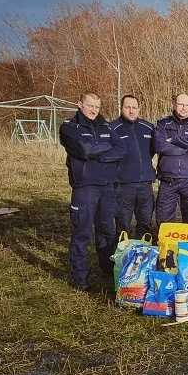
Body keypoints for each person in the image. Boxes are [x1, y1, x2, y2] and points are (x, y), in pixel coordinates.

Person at [59, 92, 126, 291]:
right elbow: (83, 150)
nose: (94, 110)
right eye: (90, 106)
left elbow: (121, 148)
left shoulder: (105, 126)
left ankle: (107, 268)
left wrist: (100, 155)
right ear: (80, 104)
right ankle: (80, 276)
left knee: (106, 229)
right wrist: (104, 149)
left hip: (107, 186)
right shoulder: (69, 127)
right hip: (85, 187)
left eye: (97, 106)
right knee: (83, 232)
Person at [154, 93, 188, 225]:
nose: (184, 108)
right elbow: (160, 145)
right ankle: (166, 244)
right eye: (181, 104)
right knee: (164, 219)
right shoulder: (163, 124)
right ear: (174, 105)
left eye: (187, 105)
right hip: (168, 179)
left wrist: (174, 139)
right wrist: (184, 148)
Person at [110, 95, 156, 239]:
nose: (131, 111)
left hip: (145, 184)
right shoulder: (112, 128)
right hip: (123, 185)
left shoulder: (148, 128)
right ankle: (122, 257)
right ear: (121, 108)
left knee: (145, 222)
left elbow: (154, 150)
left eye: (134, 108)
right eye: (127, 107)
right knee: (123, 225)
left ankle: (143, 256)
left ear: (139, 109)